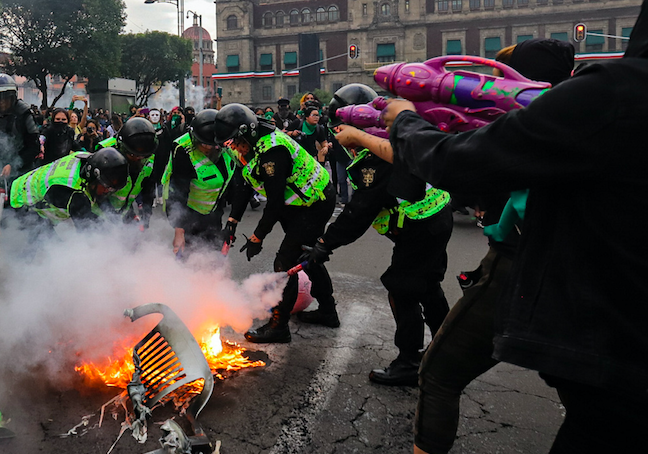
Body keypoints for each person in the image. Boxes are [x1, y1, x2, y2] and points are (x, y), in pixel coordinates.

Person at [376, 0, 648, 454]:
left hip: (620, 369)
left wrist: (404, 119)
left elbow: (463, 164)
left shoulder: (616, 95)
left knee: (442, 372)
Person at [371, 39, 576, 454]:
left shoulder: (533, 125)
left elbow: (451, 163)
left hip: (525, 261)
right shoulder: (582, 117)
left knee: (439, 373)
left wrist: (404, 120)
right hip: (578, 267)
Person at [308, 84, 453, 386]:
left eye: (341, 125)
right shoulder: (392, 139)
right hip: (436, 218)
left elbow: (360, 211)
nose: (338, 134)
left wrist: (324, 244)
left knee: (402, 290)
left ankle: (409, 362)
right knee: (428, 287)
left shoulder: (377, 157)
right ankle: (445, 350)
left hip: (420, 227)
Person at [218, 102, 337, 343]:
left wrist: (257, 236)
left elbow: (274, 203)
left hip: (314, 202)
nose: (233, 148)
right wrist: (232, 221)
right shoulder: (243, 145)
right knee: (307, 257)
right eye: (228, 144)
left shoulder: (272, 150)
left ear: (247, 132)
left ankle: (279, 326)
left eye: (234, 142)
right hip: (295, 204)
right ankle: (328, 311)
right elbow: (243, 184)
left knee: (285, 261)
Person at [163, 108, 236, 255]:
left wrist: (231, 223)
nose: (208, 148)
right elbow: (179, 192)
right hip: (189, 212)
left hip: (214, 211)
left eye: (213, 145)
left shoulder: (227, 146)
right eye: (204, 144)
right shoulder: (183, 150)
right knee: (189, 256)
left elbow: (235, 184)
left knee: (212, 255)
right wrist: (179, 231)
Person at [8, 147, 129, 226]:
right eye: (106, 187)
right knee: (38, 253)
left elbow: (102, 206)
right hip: (20, 203)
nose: (108, 192)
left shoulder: (86, 159)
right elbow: (88, 231)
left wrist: (117, 223)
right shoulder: (74, 193)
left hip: (28, 185)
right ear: (94, 176)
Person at [92, 116, 159, 218]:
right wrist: (112, 219)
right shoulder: (104, 153)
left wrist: (144, 216)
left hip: (122, 212)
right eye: (133, 155)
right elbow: (97, 192)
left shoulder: (149, 157)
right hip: (97, 215)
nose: (139, 159)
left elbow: (147, 190)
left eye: (143, 156)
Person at [0, 73, 41, 178]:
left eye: (5, 98)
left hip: (21, 171)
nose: (1, 102)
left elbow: (34, 146)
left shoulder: (24, 113)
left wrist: (13, 165)